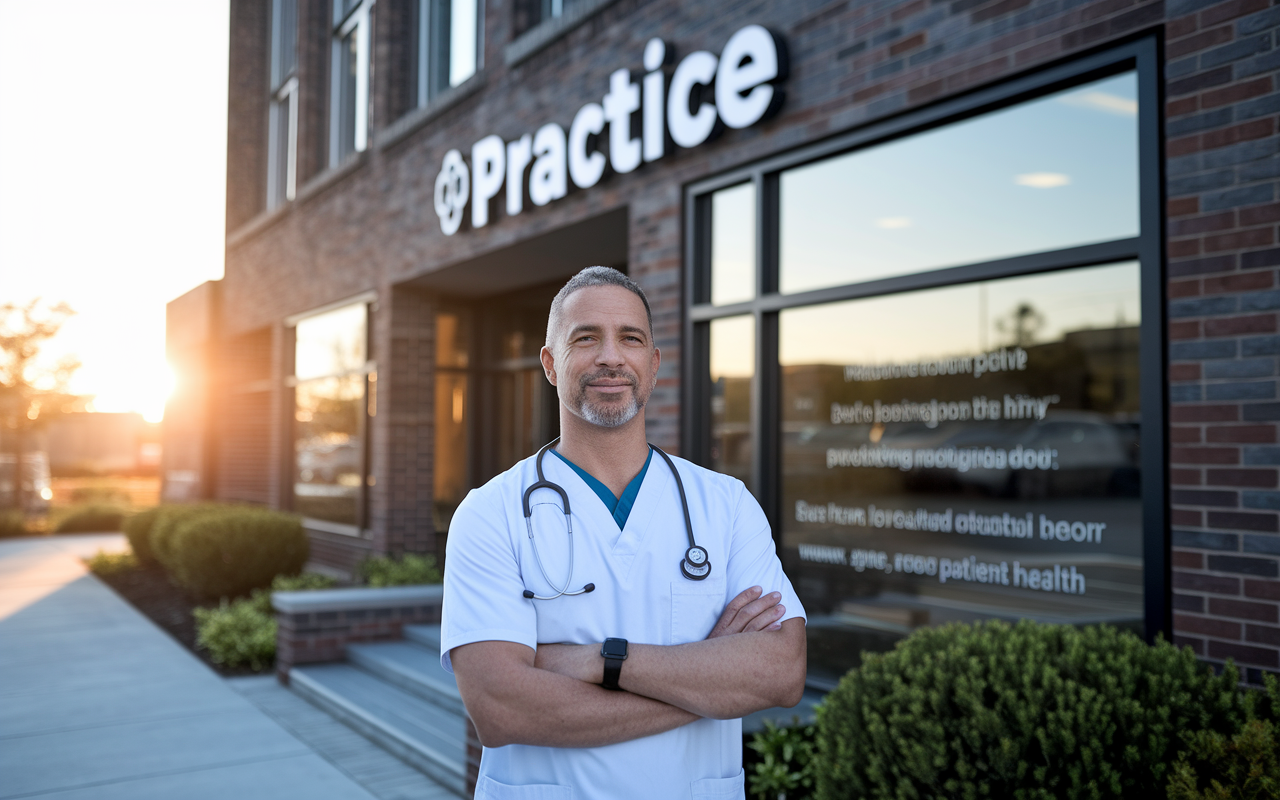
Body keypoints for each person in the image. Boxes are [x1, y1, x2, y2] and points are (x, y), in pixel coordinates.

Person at [441, 266, 807, 800]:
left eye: (630, 338)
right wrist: (710, 683)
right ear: (550, 364)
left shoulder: (726, 505)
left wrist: (600, 660)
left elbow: (781, 671)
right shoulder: (489, 513)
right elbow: (501, 709)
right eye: (586, 338)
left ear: (653, 365)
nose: (611, 356)